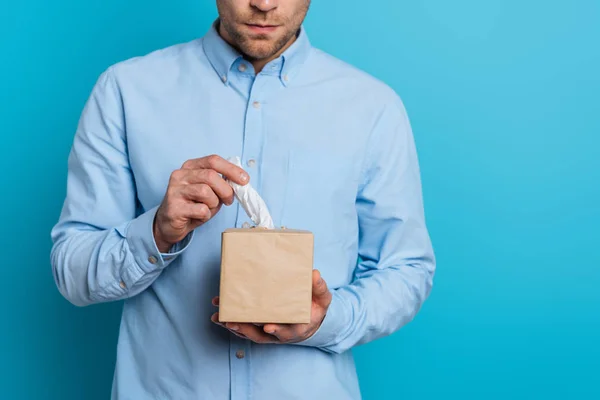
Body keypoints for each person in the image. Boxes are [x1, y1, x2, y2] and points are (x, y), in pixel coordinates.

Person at [50, 0, 436, 398]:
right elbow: (71, 270)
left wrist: (328, 319)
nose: (264, 4)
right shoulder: (126, 90)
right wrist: (156, 231)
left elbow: (406, 269)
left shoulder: (372, 107)